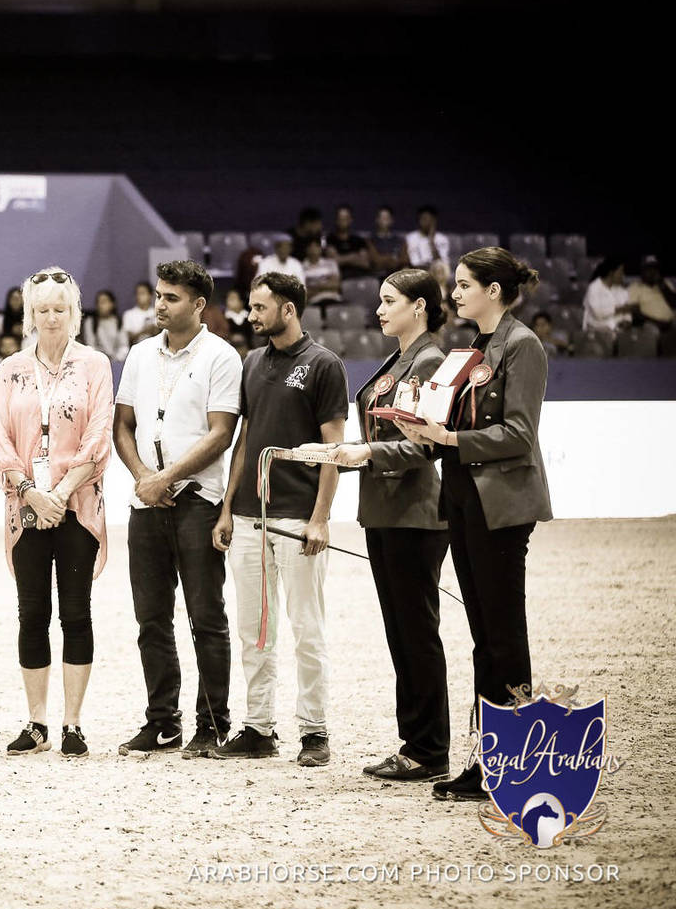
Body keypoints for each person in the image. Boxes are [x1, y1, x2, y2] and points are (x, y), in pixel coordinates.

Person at [330, 248, 552, 801]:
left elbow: (520, 434)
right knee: (484, 636)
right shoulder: (473, 350)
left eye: (463, 284)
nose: (454, 293)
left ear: (493, 291)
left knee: (502, 635)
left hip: (500, 504)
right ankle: (489, 757)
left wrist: (448, 439)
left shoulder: (522, 346)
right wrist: (423, 428)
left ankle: (512, 760)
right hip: (465, 499)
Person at [210, 272, 347, 768]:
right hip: (248, 517)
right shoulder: (251, 362)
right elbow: (245, 440)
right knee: (255, 630)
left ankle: (314, 732)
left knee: (306, 628)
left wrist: (321, 519)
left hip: (297, 519)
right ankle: (259, 727)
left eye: (260, 307)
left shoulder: (324, 365)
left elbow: (334, 449)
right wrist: (227, 507)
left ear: (288, 309)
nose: (252, 315)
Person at [112, 260, 240, 759]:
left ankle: (213, 723)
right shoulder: (141, 354)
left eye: (170, 297)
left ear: (199, 305)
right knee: (151, 620)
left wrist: (168, 477)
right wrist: (145, 477)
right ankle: (162, 721)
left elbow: (221, 433)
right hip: (146, 502)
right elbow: (122, 425)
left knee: (206, 616)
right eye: (158, 296)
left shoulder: (222, 357)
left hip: (199, 501)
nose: (159, 304)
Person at [0, 267, 113, 758]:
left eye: (60, 308)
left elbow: (99, 435)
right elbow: (0, 438)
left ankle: (73, 724)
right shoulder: (11, 369)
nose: (51, 317)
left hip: (77, 507)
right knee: (31, 614)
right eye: (42, 309)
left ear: (74, 311)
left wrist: (59, 493)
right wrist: (29, 492)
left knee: (76, 614)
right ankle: (37, 721)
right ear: (30, 314)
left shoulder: (95, 364)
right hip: (25, 508)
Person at [348, 269, 452, 782]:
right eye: (379, 301)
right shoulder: (402, 358)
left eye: (390, 301)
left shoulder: (429, 360)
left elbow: (424, 445)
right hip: (387, 509)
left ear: (421, 307)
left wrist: (365, 451)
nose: (380, 309)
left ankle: (429, 747)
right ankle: (416, 742)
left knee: (415, 631)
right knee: (402, 630)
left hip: (415, 513)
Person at [582, 259, 633, 334]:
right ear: (611, 273)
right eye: (621, 272)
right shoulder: (593, 288)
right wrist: (622, 309)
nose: (623, 275)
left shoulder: (622, 291)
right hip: (597, 333)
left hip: (620, 333)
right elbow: (598, 313)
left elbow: (627, 314)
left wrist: (627, 321)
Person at [404, 205, 452, 285]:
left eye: (428, 219)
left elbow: (442, 262)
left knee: (439, 268)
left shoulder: (442, 239)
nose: (426, 222)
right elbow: (410, 261)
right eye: (423, 219)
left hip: (436, 271)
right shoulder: (411, 237)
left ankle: (441, 296)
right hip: (415, 269)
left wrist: (431, 241)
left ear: (434, 221)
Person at [81, 288, 130, 363]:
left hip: (116, 362)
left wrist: (115, 358)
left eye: (104, 302)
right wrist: (102, 358)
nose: (100, 305)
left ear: (112, 304)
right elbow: (90, 346)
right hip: (97, 362)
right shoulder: (91, 322)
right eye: (98, 302)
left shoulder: (118, 322)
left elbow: (124, 346)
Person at [329, 205, 373, 275]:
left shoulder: (358, 240)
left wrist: (343, 259)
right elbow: (333, 261)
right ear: (336, 220)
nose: (343, 221)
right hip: (340, 277)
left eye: (345, 218)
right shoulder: (330, 239)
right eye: (340, 218)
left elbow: (365, 263)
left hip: (360, 276)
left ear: (351, 220)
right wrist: (353, 256)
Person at [301, 238, 342, 310]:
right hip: (315, 303)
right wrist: (327, 284)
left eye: (316, 246)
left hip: (334, 299)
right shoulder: (300, 267)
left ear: (320, 248)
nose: (313, 249)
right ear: (306, 249)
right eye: (310, 246)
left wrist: (313, 286)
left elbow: (336, 286)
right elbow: (305, 293)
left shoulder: (331, 263)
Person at [369, 205, 406, 274]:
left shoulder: (399, 240)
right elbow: (375, 260)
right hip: (377, 274)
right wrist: (392, 258)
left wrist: (386, 260)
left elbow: (404, 259)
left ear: (392, 220)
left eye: (387, 217)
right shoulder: (370, 240)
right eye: (382, 217)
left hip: (396, 274)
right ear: (377, 220)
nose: (385, 220)